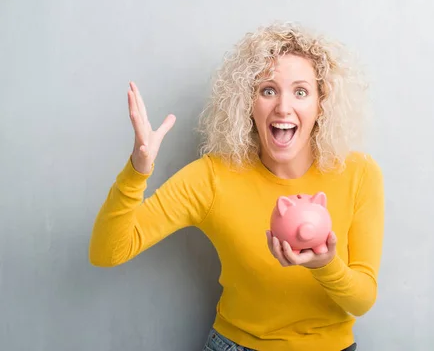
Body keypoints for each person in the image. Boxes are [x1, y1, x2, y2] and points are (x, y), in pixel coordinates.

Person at [89, 21, 385, 351]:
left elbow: (362, 301)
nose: (283, 107)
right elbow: (107, 252)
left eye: (300, 92)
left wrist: (324, 265)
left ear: (321, 104)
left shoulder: (359, 173)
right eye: (268, 90)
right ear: (248, 102)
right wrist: (136, 172)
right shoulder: (212, 178)